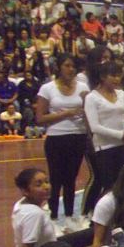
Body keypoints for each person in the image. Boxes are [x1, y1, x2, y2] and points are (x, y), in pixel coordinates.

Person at [35, 54, 89, 227]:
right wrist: (65, 114)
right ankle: (52, 216)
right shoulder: (47, 88)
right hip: (56, 138)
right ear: (59, 67)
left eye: (73, 66)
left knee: (71, 178)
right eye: (67, 65)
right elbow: (40, 118)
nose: (71, 69)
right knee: (56, 178)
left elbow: (89, 110)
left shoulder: (82, 87)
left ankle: (69, 215)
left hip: (78, 136)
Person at [84, 60, 124, 218]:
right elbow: (95, 127)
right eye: (112, 75)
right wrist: (121, 135)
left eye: (118, 75)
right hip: (104, 148)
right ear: (102, 77)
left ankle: (122, 216)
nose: (116, 79)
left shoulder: (122, 94)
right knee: (108, 186)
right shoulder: (92, 98)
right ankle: (96, 216)